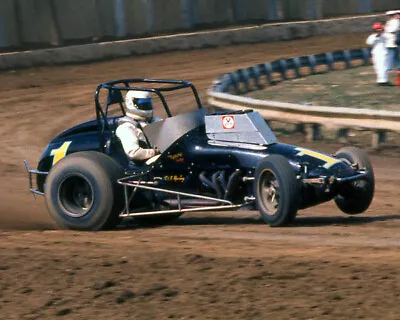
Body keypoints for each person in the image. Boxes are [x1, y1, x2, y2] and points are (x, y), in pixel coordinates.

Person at [116, 90, 161, 161]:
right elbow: (133, 153)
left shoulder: (156, 120)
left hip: (159, 157)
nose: (146, 106)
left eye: (147, 103)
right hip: (141, 165)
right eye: (143, 103)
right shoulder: (126, 127)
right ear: (130, 103)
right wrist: (155, 152)